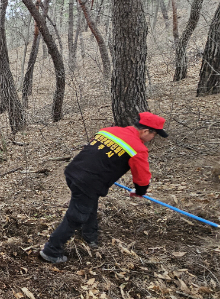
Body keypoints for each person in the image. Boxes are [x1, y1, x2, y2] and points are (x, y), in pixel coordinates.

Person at [40, 112, 168, 264]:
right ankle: (51, 250)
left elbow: (96, 153)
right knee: (76, 215)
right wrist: (140, 191)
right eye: (154, 135)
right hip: (88, 182)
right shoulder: (138, 149)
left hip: (73, 171)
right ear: (146, 131)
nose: (153, 139)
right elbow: (142, 177)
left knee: (89, 204)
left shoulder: (107, 130)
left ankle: (89, 236)